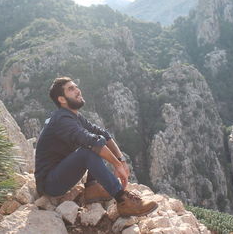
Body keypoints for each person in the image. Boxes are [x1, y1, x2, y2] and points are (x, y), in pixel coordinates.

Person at [34, 77, 158, 216]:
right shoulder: (62, 120)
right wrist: (117, 165)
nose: (77, 90)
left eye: (76, 87)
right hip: (49, 184)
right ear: (62, 99)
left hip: (60, 173)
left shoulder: (74, 116)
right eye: (71, 89)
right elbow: (93, 142)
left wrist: (121, 160)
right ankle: (123, 201)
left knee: (94, 144)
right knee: (87, 151)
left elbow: (103, 134)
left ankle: (92, 188)